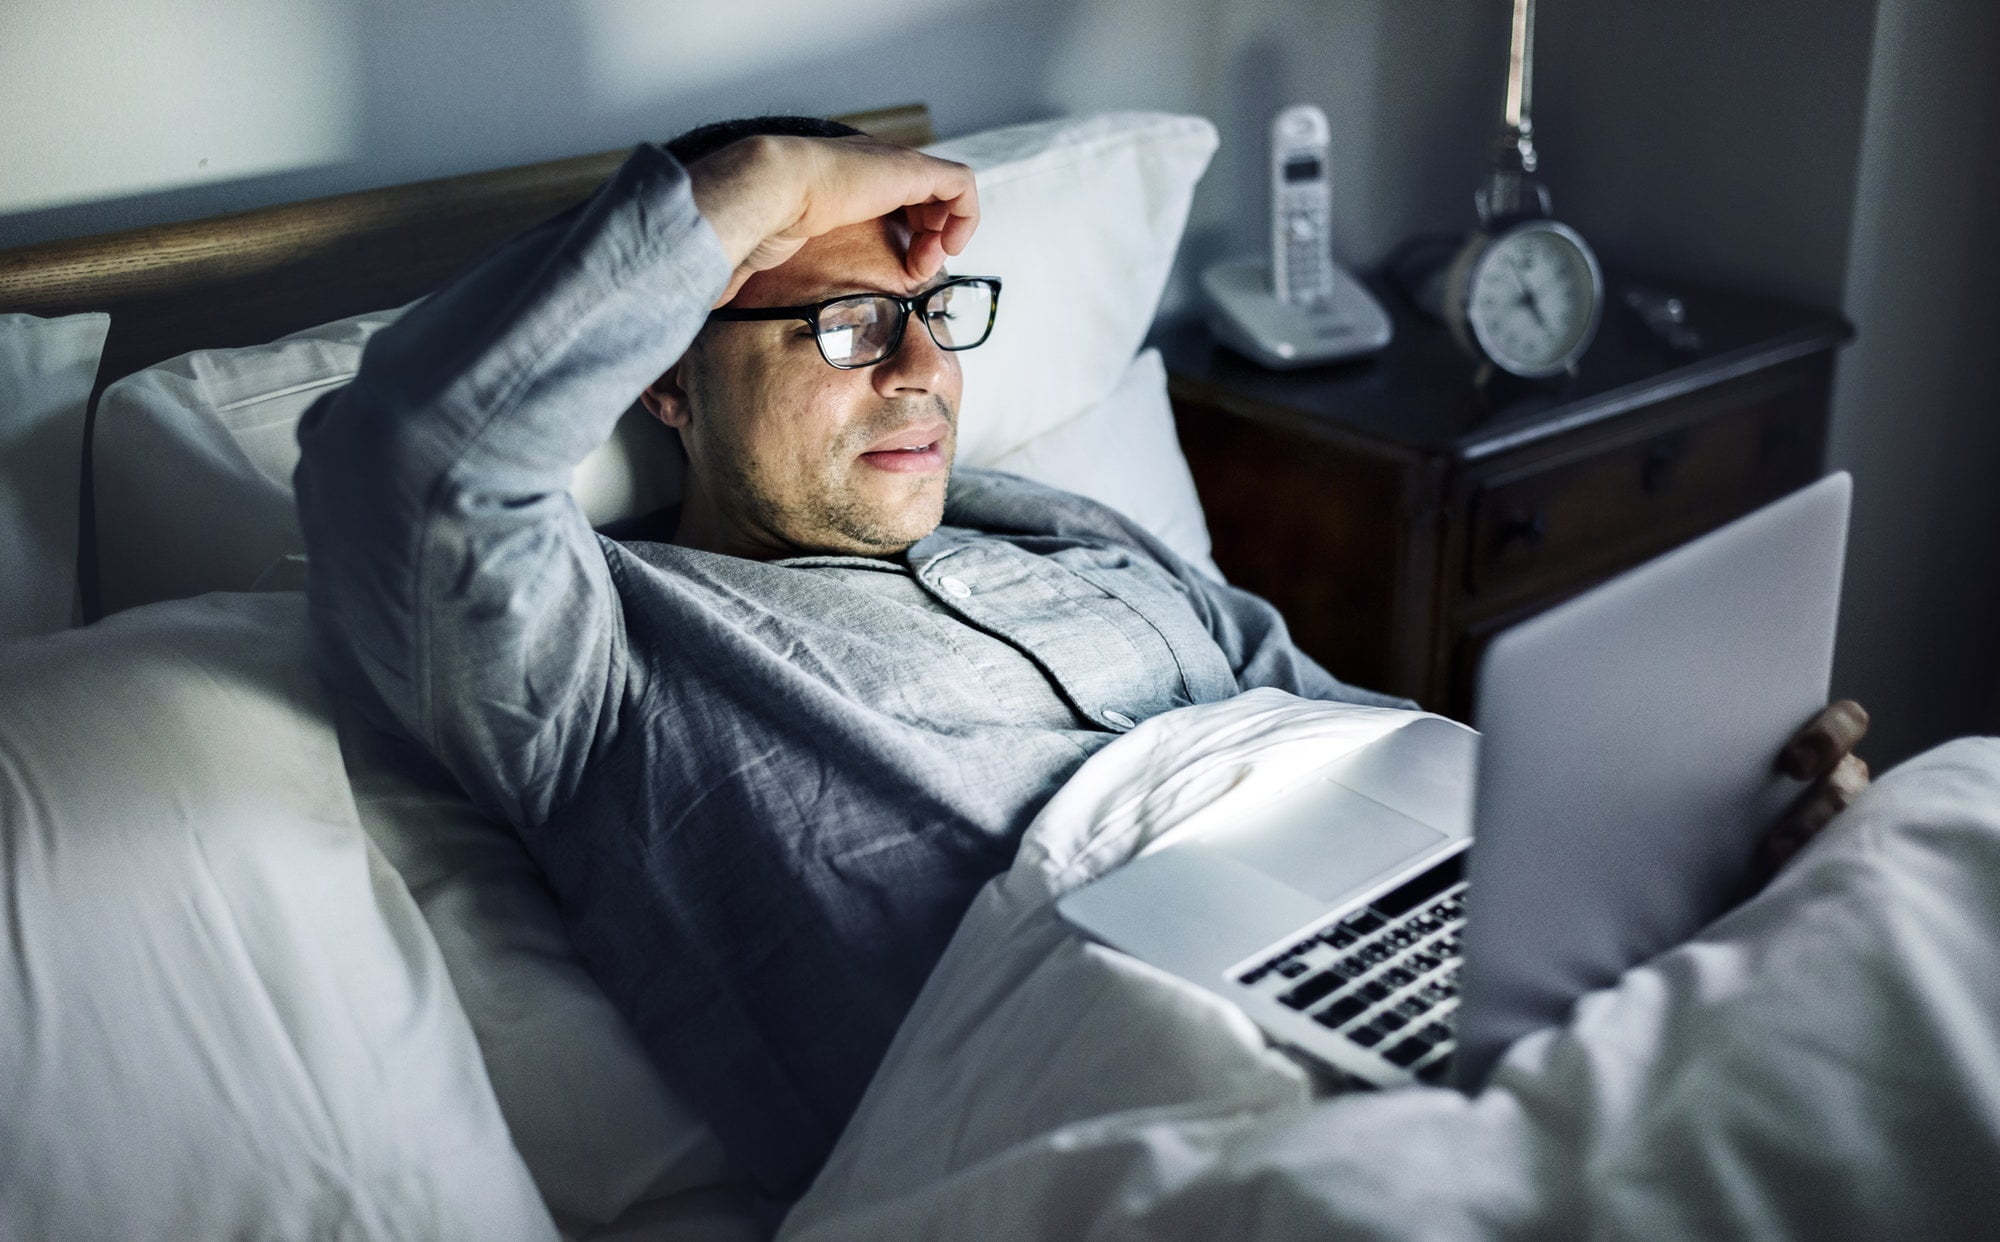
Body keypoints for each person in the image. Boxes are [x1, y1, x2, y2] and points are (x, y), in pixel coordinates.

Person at [294, 116, 1868, 1197]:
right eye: (847, 324)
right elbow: (412, 454)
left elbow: (1339, 723)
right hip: (1136, 1074)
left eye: (932, 314)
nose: (921, 370)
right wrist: (766, 175)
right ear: (665, 379)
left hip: (1451, 938)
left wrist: (1662, 844)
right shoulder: (612, 664)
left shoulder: (1051, 530)